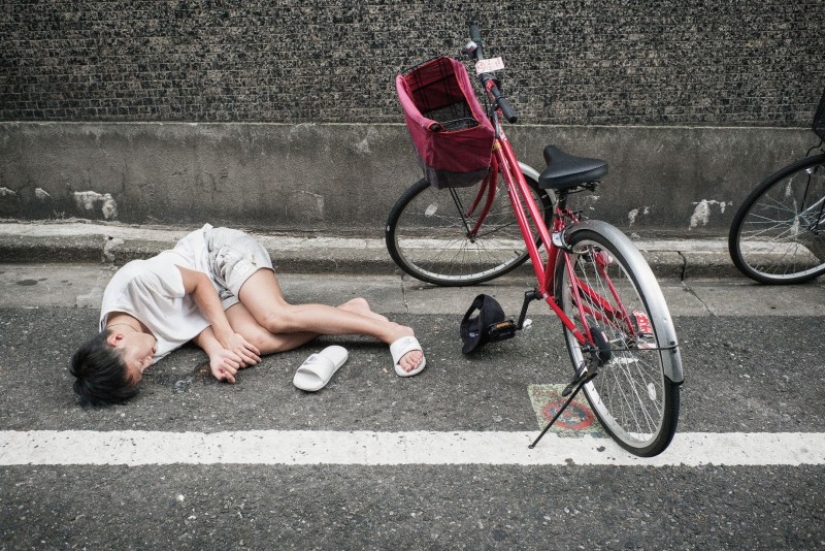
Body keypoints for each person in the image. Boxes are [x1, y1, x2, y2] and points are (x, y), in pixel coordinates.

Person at [69, 224, 426, 407]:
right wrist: (218, 353)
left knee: (273, 317)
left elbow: (198, 287)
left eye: (140, 363)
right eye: (144, 371)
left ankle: (391, 331)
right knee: (255, 342)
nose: (150, 362)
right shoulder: (134, 339)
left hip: (216, 256)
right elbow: (188, 325)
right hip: (211, 295)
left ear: (116, 340)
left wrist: (224, 338)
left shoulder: (134, 282)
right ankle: (350, 313)